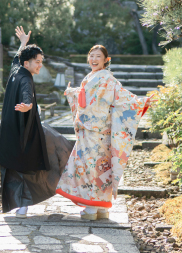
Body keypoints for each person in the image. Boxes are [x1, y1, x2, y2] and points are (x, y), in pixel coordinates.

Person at [56, 44, 155, 220]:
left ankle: (91, 208)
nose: (94, 59)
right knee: (100, 167)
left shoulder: (109, 79)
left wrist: (142, 101)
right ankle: (101, 208)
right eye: (91, 56)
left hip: (96, 130)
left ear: (106, 60)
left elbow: (122, 97)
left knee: (92, 167)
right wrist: (72, 92)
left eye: (98, 57)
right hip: (92, 130)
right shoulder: (92, 76)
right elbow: (85, 96)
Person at [0, 26, 73, 217]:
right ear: (27, 63)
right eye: (37, 62)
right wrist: (28, 106)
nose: (40, 65)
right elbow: (27, 95)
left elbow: (17, 57)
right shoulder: (26, 79)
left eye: (41, 62)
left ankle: (18, 205)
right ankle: (25, 203)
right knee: (34, 165)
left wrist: (23, 43)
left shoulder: (16, 69)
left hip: (9, 131)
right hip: (25, 132)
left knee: (14, 167)